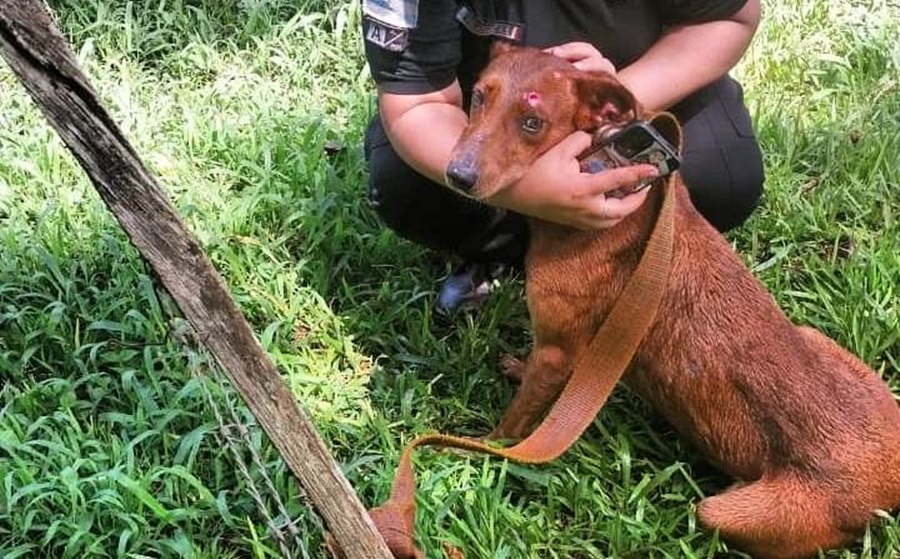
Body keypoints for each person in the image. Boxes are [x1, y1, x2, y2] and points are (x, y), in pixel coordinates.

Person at [361, 0, 764, 314]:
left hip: (635, 72)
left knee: (720, 175)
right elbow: (417, 104)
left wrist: (604, 98)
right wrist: (529, 192)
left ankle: (613, 261)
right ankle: (503, 255)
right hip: (474, 107)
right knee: (409, 188)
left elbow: (729, 18)